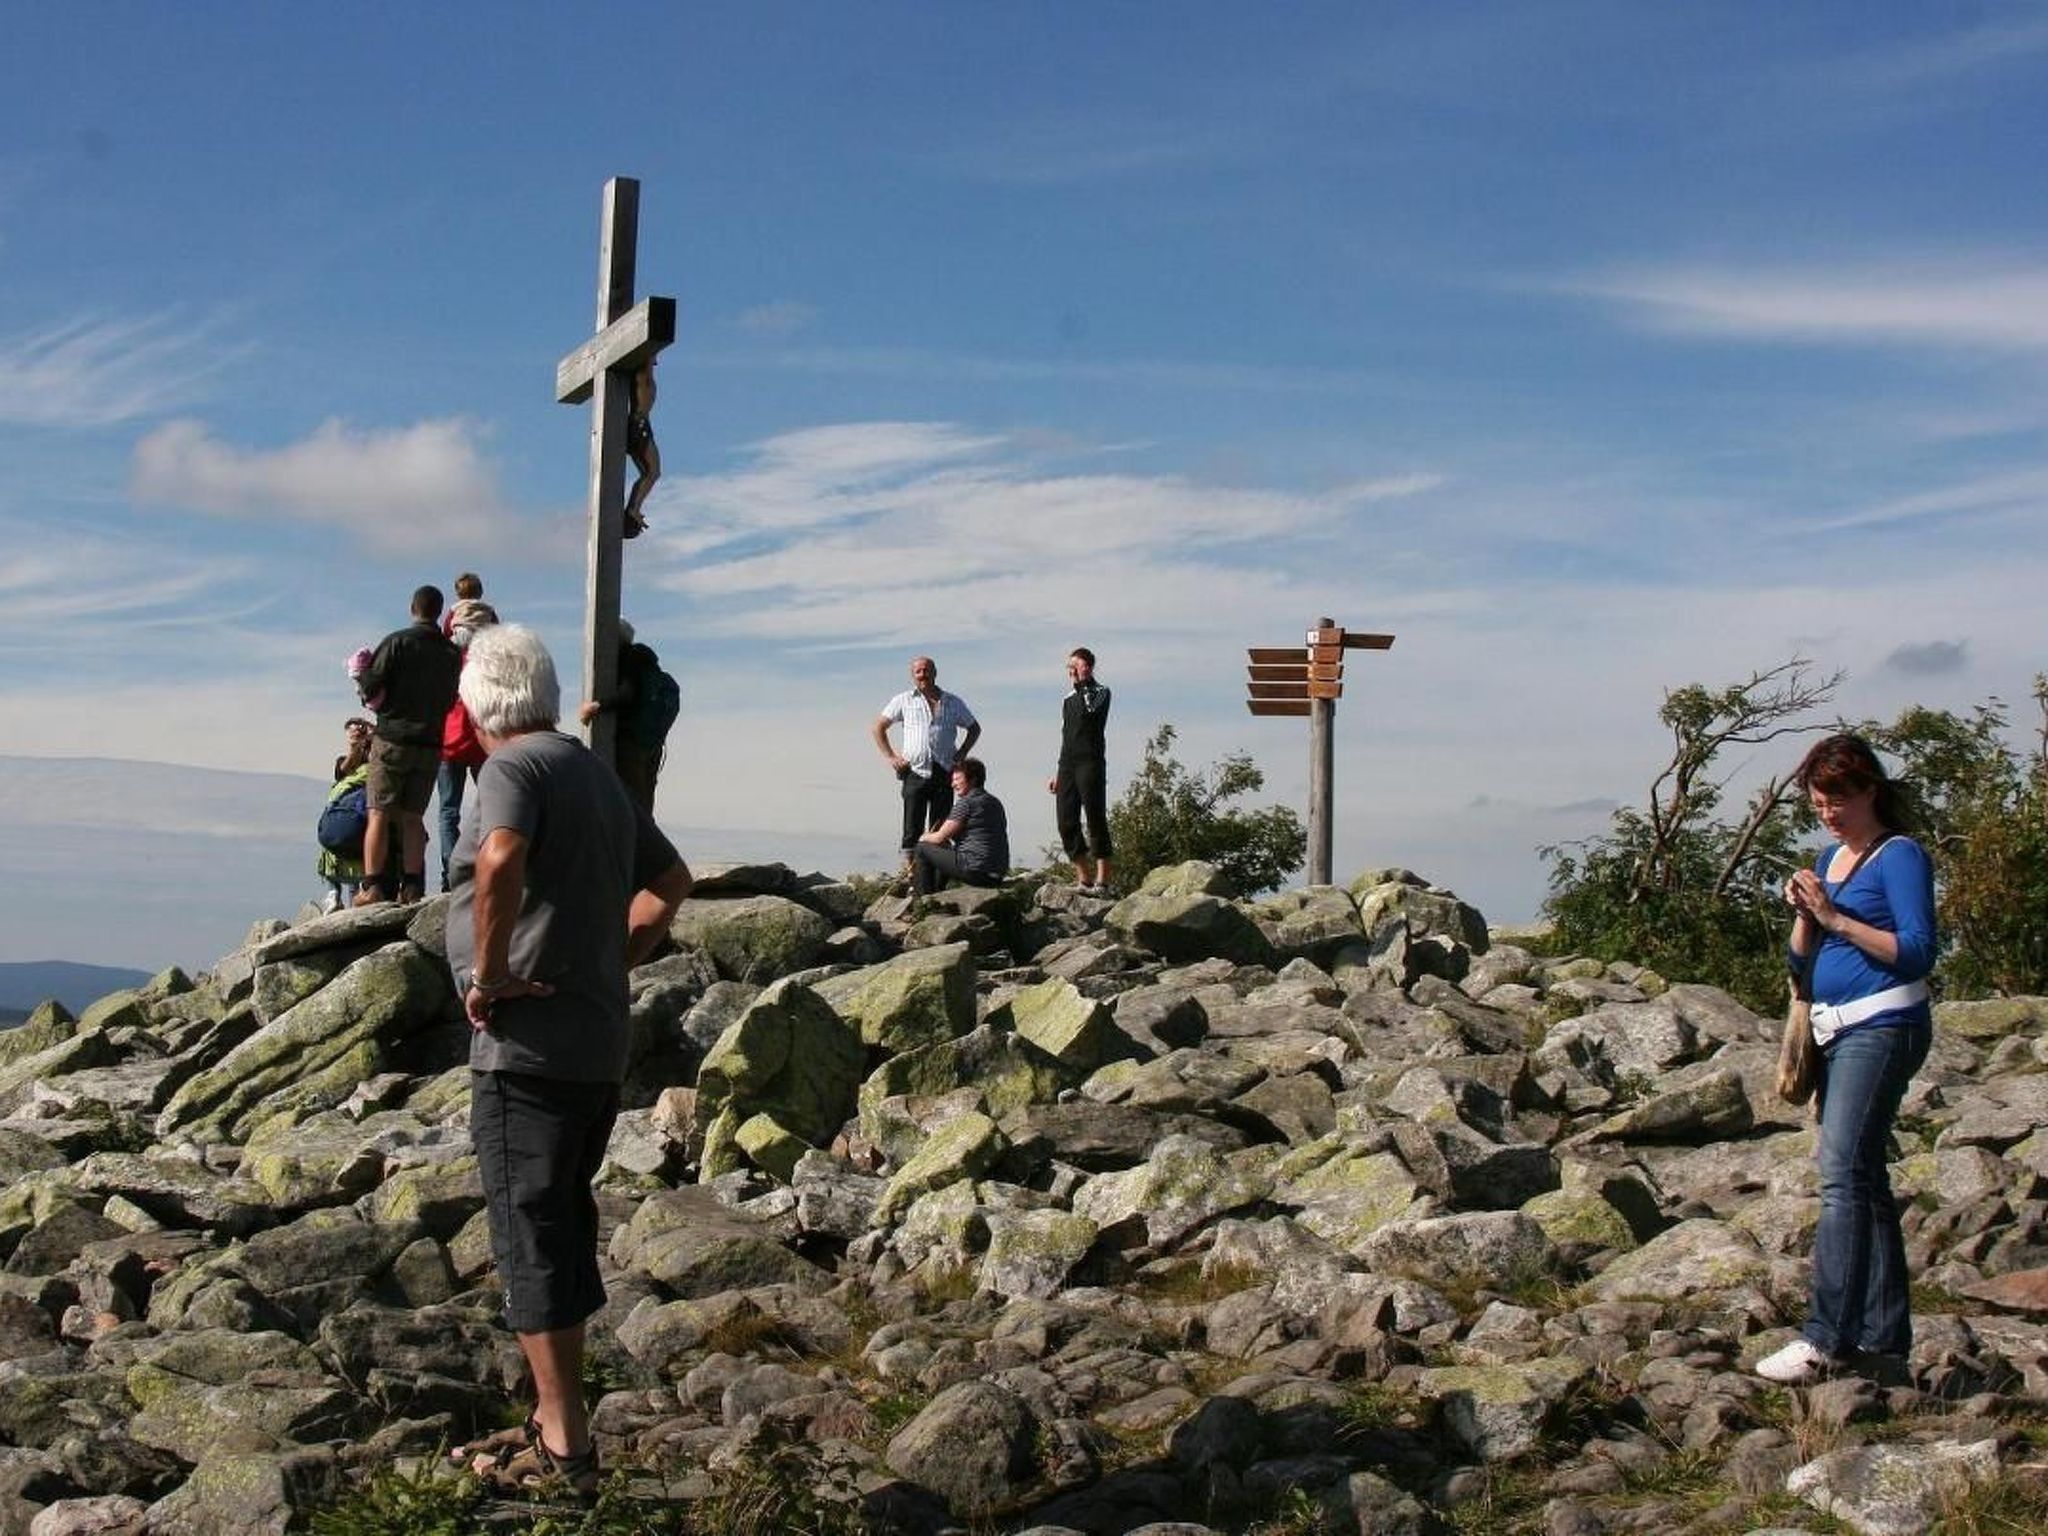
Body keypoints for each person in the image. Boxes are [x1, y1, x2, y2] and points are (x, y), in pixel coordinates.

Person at [442, 624, 693, 1496]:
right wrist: (617, 954)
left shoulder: (510, 769)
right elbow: (671, 881)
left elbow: (501, 856)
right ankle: (562, 1423)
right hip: (594, 1043)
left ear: (477, 708)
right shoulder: (589, 769)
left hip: (527, 1050)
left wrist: (491, 969)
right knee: (561, 1223)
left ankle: (564, 1449)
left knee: (530, 1233)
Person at [1756, 734, 1936, 1387]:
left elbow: (1916, 950)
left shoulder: (1899, 856)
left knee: (1842, 1177)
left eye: (1840, 798)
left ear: (1870, 791)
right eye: (1819, 801)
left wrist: (1836, 918)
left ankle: (1826, 1337)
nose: (1829, 811)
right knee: (1864, 1181)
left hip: (1884, 1024)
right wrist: (1806, 917)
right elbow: (1800, 969)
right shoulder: (1830, 858)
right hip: (1832, 1029)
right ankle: (1884, 1344)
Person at [353, 585, 462, 905]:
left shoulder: (397, 642)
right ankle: (412, 887)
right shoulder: (450, 653)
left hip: (392, 739)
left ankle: (372, 886)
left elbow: (371, 686)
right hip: (430, 743)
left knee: (379, 814)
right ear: (439, 611)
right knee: (413, 817)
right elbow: (453, 696)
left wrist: (361, 676)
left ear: (413, 608)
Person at [872, 655, 980, 887]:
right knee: (912, 826)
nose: (923, 675)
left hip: (944, 770)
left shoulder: (952, 702)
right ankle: (912, 876)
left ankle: (937, 878)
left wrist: (961, 753)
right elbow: (878, 727)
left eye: (926, 670)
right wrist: (891, 757)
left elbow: (974, 728)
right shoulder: (903, 700)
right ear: (913, 675)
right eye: (918, 671)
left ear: (935, 672)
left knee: (941, 827)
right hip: (914, 771)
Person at [576, 620, 678, 815]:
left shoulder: (630, 659)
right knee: (644, 804)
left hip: (632, 743)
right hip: (652, 744)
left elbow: (627, 693)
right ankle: (646, 842)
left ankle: (635, 842)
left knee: (632, 804)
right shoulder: (648, 664)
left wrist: (596, 707)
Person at [437, 605, 499, 892]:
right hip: (481, 739)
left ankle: (452, 875)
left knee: (448, 810)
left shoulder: (446, 657)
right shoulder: (490, 660)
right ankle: (488, 866)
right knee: (491, 805)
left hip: (449, 740)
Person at [1047, 646, 1114, 892]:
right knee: (1066, 822)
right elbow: (1066, 735)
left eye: (1076, 665)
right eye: (1069, 666)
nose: (1071, 670)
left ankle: (1103, 881)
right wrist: (1058, 772)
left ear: (1088, 666)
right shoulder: (1067, 699)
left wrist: (1083, 683)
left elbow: (1090, 710)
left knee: (1095, 818)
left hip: (1091, 762)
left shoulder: (1101, 692)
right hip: (1068, 764)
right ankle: (1083, 877)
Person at [914, 758, 1009, 895]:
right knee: (946, 849)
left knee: (922, 848)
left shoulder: (967, 803)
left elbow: (939, 837)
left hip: (975, 869)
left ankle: (924, 900)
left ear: (973, 780)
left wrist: (924, 837)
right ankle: (937, 894)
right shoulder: (995, 803)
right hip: (996, 875)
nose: (953, 784)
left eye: (957, 779)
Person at [318, 718, 375, 910]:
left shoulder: (348, 780)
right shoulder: (370, 770)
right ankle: (357, 893)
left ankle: (334, 893)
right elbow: (344, 767)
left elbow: (344, 771)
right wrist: (358, 744)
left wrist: (367, 738)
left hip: (340, 843)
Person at [623, 361, 659, 539]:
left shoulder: (646, 369)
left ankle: (633, 509)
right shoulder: (643, 368)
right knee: (652, 472)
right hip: (639, 422)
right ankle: (633, 509)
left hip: (641, 422)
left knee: (651, 472)